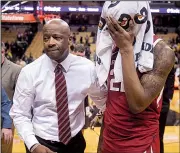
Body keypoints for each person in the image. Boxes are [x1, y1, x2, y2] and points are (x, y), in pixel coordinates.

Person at [10, 19, 107, 153]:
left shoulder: (87, 68)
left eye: (57, 37)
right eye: (46, 38)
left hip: (75, 143)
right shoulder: (29, 72)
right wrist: (33, 145)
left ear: (70, 39)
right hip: (40, 142)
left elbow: (103, 101)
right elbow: (20, 114)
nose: (50, 43)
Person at [95, 1, 175, 153]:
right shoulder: (110, 46)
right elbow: (111, 103)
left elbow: (137, 105)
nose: (115, 29)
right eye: (111, 24)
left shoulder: (161, 52)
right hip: (110, 142)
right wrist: (101, 144)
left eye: (121, 22)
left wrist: (126, 49)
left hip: (141, 144)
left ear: (138, 18)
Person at [1, 42, 22, 153]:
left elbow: (19, 99)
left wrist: (8, 125)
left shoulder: (16, 70)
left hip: (5, 122)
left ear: (4, 52)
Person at [159, 67, 175, 153]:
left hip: (162, 102)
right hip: (149, 101)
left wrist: (168, 96)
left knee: (159, 135)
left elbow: (171, 75)